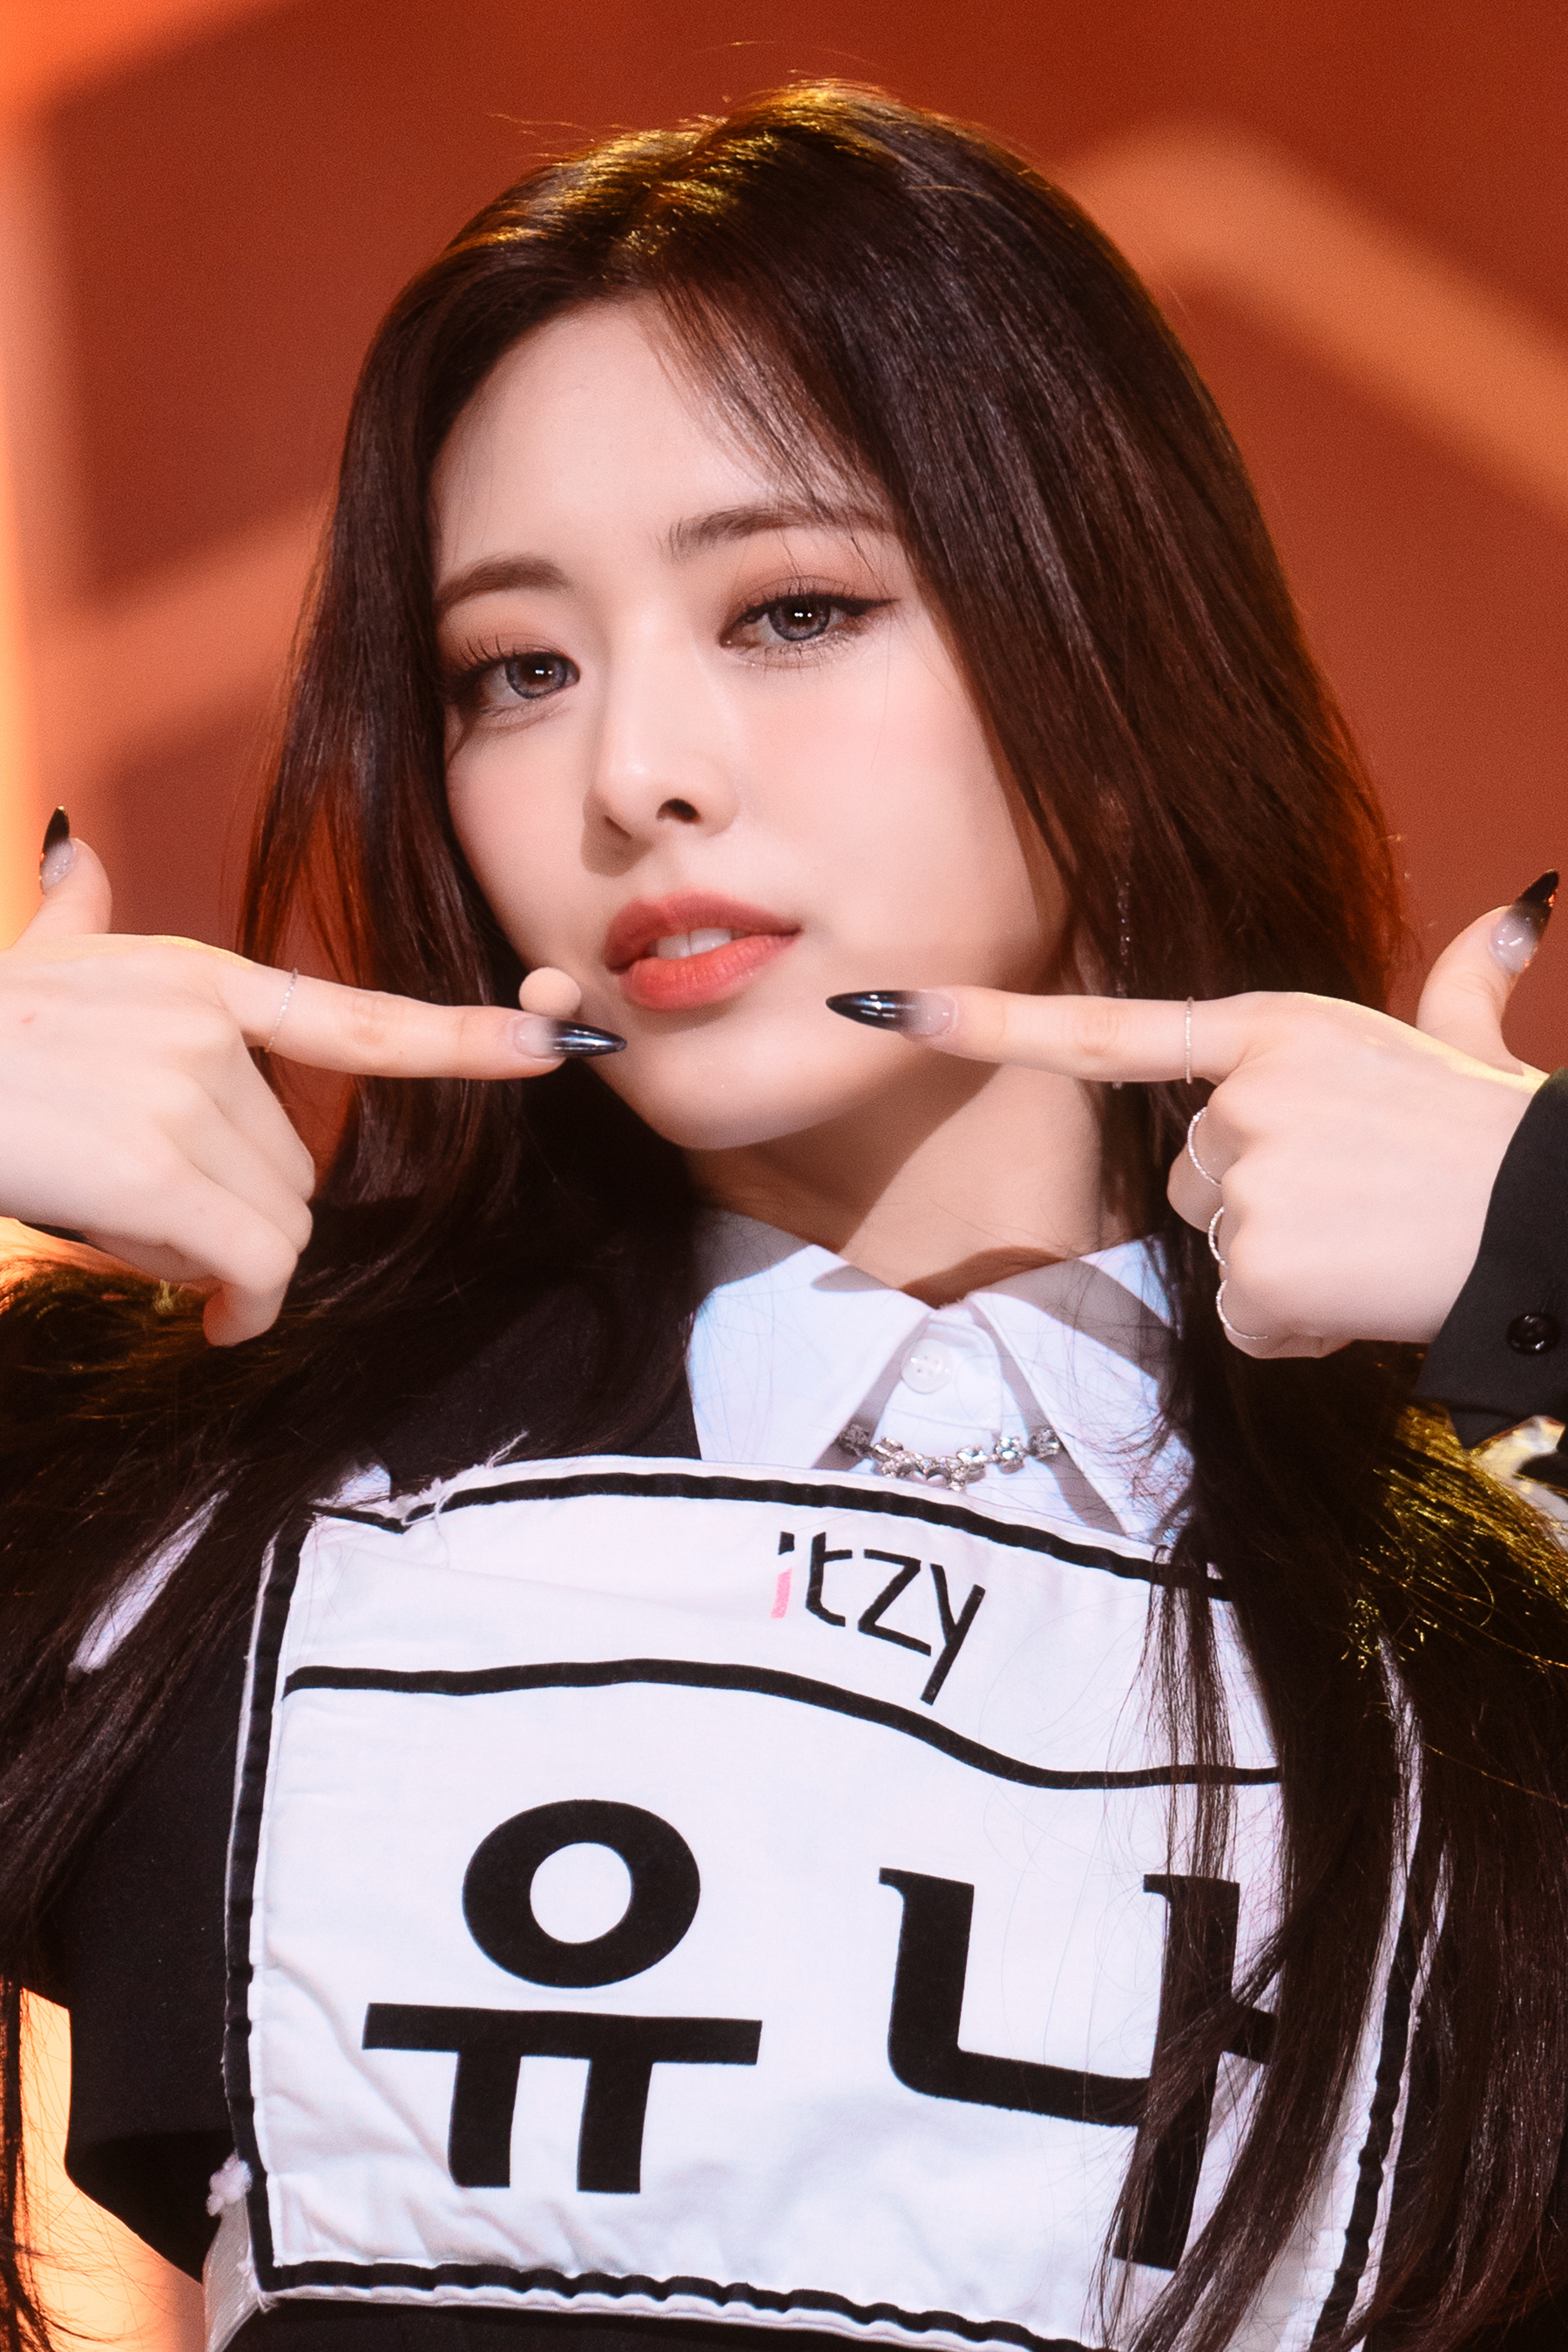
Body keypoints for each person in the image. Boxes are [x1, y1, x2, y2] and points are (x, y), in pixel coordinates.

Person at [1, 83, 1565, 2352]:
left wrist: (1550, 1246)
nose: (635, 770)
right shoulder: (216, 1488)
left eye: (794, 608)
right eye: (516, 669)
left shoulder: (1502, 1580)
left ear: (1110, 664)